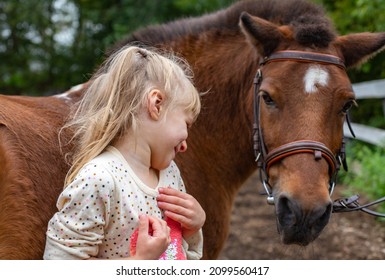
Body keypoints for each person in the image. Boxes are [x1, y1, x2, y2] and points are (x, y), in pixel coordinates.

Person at [43, 45, 205, 260]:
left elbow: (181, 254)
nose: (185, 145)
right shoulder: (100, 179)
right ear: (156, 104)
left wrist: (193, 228)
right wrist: (137, 263)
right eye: (187, 124)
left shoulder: (170, 173)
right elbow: (59, 264)